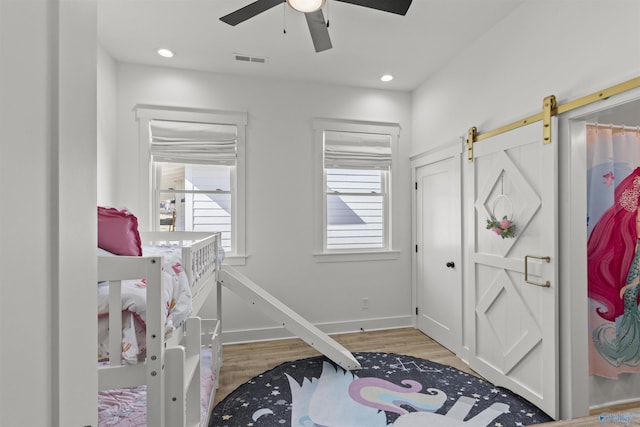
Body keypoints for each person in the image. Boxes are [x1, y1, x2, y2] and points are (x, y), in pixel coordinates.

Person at [589, 166, 640, 367]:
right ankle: (627, 347)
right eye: (636, 219)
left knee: (631, 309)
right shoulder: (633, 245)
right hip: (631, 283)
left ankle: (629, 348)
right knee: (629, 308)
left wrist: (630, 285)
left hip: (633, 284)